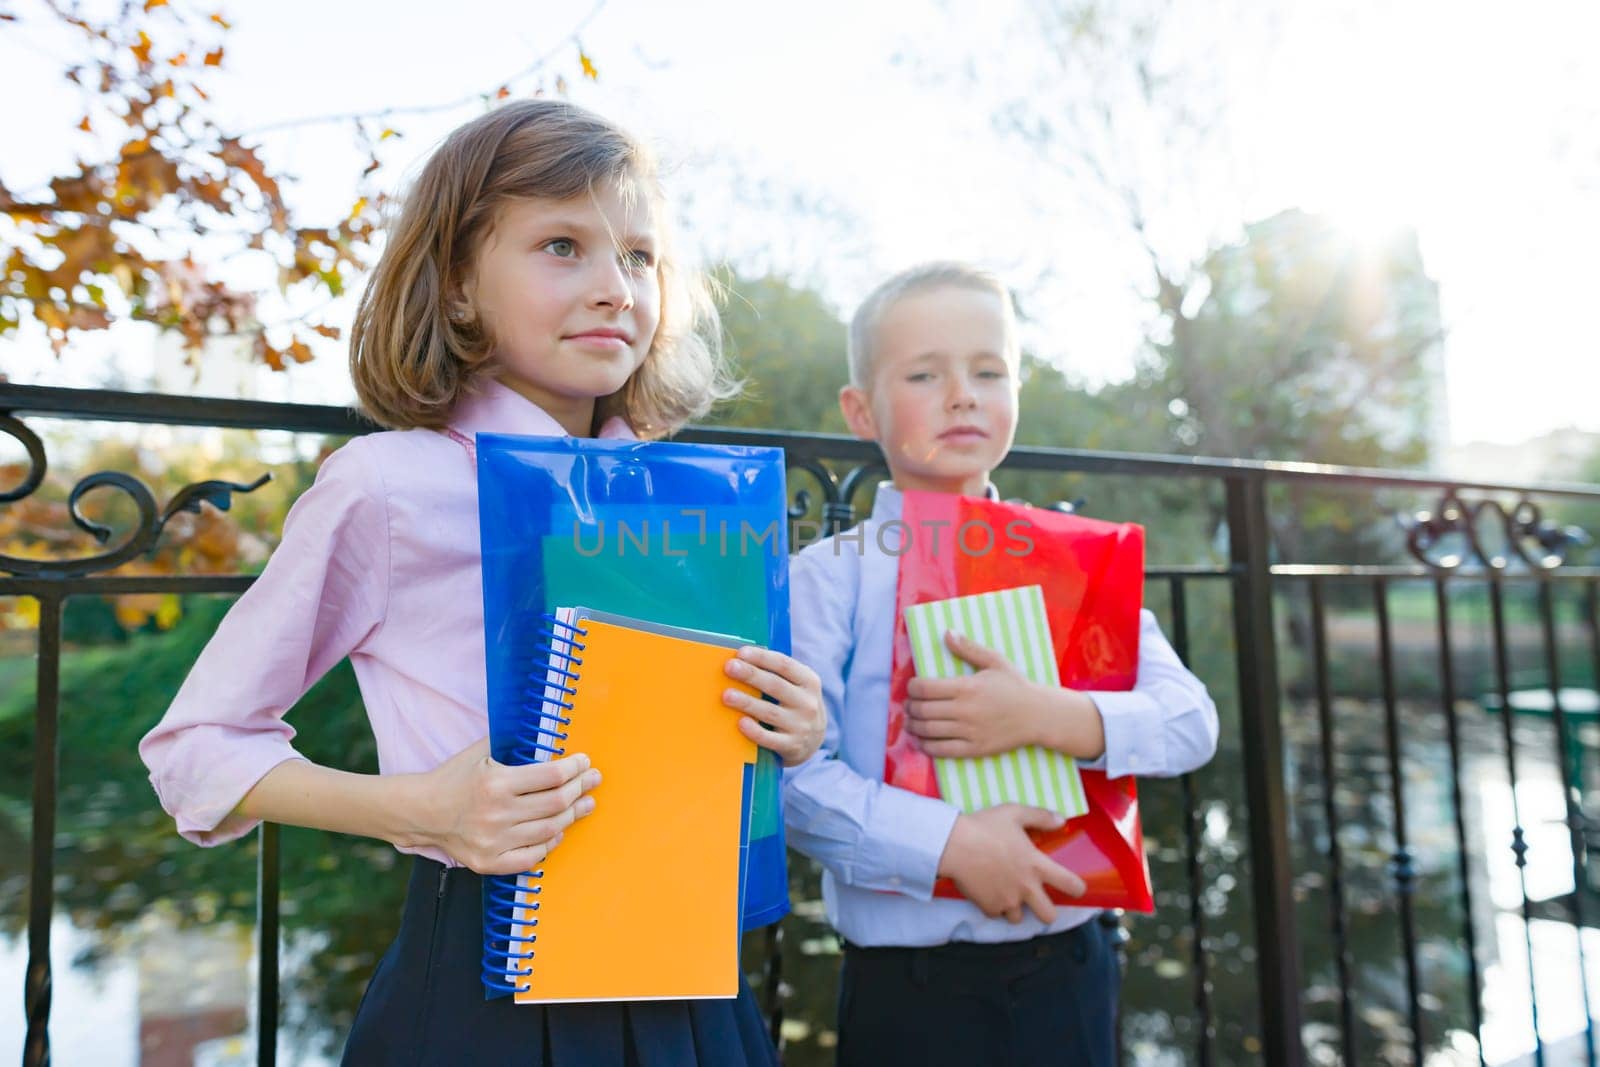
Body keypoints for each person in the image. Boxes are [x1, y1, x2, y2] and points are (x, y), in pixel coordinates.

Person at [139, 99, 824, 1066]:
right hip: (484, 983)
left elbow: (714, 741)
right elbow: (194, 747)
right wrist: (418, 806)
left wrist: (788, 725)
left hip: (694, 987)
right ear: (459, 285)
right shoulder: (386, 486)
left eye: (638, 256)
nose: (614, 287)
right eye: (560, 245)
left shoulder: (696, 501)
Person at [782, 262, 1219, 1066]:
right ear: (860, 410)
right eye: (924, 373)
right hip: (910, 990)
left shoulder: (1075, 558)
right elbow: (794, 778)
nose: (963, 394)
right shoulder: (830, 574)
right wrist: (952, 845)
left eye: (989, 371)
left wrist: (1052, 716)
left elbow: (1192, 721)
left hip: (1073, 968)